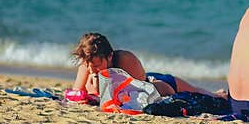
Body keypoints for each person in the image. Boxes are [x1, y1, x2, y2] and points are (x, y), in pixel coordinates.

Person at [71, 32, 217, 98]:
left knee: (200, 93)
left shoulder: (125, 60)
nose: (91, 69)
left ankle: (219, 94)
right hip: (145, 84)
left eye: (96, 66)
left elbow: (140, 93)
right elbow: (75, 94)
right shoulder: (89, 63)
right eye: (88, 65)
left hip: (155, 83)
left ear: (109, 56)